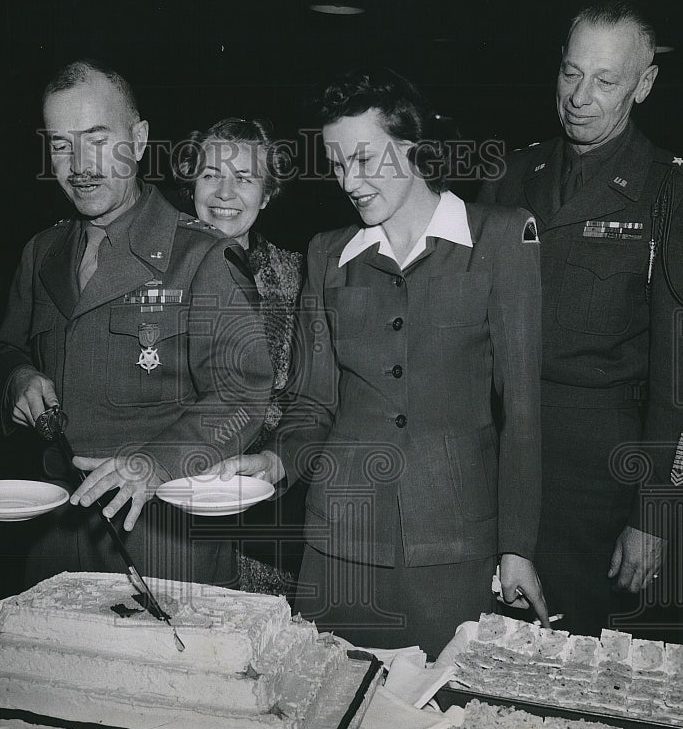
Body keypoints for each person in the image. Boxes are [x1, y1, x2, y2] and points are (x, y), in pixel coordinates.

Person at [213, 69, 550, 657]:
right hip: (337, 541)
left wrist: (516, 548)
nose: (350, 181)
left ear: (412, 147)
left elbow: (521, 412)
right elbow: (313, 402)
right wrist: (278, 461)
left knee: (443, 725)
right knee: (322, 716)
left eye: (366, 160)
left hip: (453, 545)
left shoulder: (502, 238)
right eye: (339, 164)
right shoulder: (327, 253)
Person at [477, 0, 683, 636]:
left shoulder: (676, 191)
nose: (579, 97)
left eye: (605, 81)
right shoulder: (512, 176)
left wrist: (657, 514)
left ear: (643, 85)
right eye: (570, 73)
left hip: (597, 483)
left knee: (566, 662)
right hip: (496, 464)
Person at [0, 60, 273, 588]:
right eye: (60, 144)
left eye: (97, 140)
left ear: (139, 139)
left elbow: (244, 396)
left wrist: (155, 463)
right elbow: (7, 349)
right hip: (51, 535)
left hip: (162, 542)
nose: (79, 165)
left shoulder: (201, 256)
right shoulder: (40, 252)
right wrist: (19, 380)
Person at [175, 117, 305, 596]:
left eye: (245, 179)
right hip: (169, 507)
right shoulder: (151, 273)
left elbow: (308, 402)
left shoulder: (296, 278)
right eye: (211, 175)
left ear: (267, 195)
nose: (224, 192)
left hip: (265, 521)